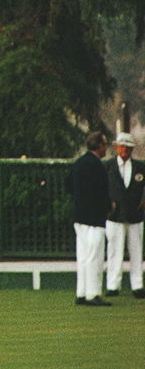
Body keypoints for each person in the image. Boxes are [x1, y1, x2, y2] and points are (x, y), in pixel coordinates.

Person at [69, 129, 112, 305]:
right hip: (94, 218)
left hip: (79, 216)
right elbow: (100, 192)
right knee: (95, 256)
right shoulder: (96, 166)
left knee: (84, 256)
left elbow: (68, 185)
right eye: (105, 144)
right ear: (99, 145)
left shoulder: (79, 163)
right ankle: (93, 294)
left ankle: (82, 292)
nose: (106, 148)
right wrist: (109, 206)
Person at [104, 129, 144, 300]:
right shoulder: (108, 166)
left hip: (136, 215)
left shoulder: (141, 167)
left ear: (132, 149)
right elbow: (100, 189)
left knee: (136, 251)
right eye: (122, 147)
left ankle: (138, 285)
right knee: (114, 251)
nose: (125, 150)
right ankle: (113, 285)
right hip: (115, 216)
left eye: (128, 147)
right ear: (117, 148)